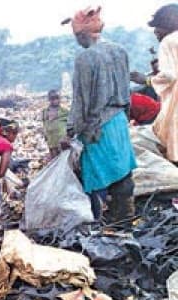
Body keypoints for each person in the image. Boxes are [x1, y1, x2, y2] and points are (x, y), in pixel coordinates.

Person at [62, 6, 137, 222]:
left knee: (94, 176)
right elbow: (126, 89)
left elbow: (82, 100)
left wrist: (71, 130)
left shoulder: (86, 58)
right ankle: (125, 217)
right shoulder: (120, 50)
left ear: (82, 34)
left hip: (98, 127)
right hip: (119, 122)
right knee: (122, 171)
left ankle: (97, 220)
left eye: (77, 36)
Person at [147, 4, 178, 163]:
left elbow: (170, 75)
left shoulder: (168, 42)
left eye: (157, 27)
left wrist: (147, 80)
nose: (155, 32)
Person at [41, 90, 69, 159]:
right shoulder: (45, 111)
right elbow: (44, 123)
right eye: (53, 98)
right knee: (54, 159)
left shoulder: (64, 111)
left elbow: (70, 124)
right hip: (51, 140)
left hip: (62, 141)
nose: (56, 100)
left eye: (57, 98)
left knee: (63, 158)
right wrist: (45, 134)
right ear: (49, 99)